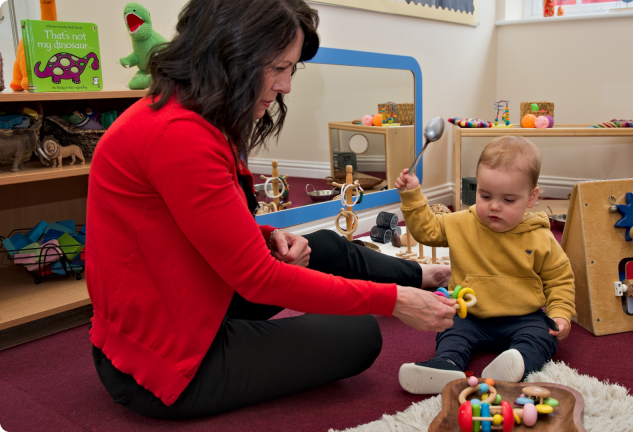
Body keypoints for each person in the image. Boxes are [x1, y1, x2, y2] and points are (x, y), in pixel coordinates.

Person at [87, 0, 457, 419]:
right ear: (230, 54)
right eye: (279, 67)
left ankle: (421, 276)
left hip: (188, 298)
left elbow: (187, 225)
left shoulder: (189, 113)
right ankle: (407, 290)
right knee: (359, 333)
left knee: (328, 247)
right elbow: (258, 281)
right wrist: (392, 302)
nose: (286, 85)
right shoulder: (180, 137)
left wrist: (264, 237)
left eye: (291, 69)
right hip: (161, 362)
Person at [395, 136, 576, 394]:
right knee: (451, 330)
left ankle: (518, 362)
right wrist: (412, 195)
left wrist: (560, 313)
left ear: (531, 197)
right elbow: (427, 231)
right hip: (472, 315)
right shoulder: (461, 223)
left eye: (508, 200)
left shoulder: (541, 237)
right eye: (485, 195)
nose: (494, 206)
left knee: (542, 336)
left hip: (523, 317)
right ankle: (445, 365)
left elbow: (560, 280)